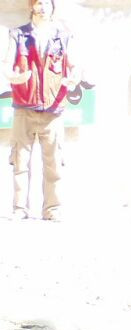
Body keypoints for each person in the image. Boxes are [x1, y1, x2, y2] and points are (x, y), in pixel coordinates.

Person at [3, 0, 79, 221]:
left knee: (54, 163)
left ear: (53, 7)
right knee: (20, 162)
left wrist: (73, 78)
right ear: (31, 6)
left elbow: (75, 67)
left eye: (47, 2)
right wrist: (13, 76)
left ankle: (52, 209)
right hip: (23, 108)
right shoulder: (18, 35)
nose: (43, 6)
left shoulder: (64, 37)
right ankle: (19, 209)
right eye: (38, 2)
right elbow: (6, 65)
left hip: (53, 110)